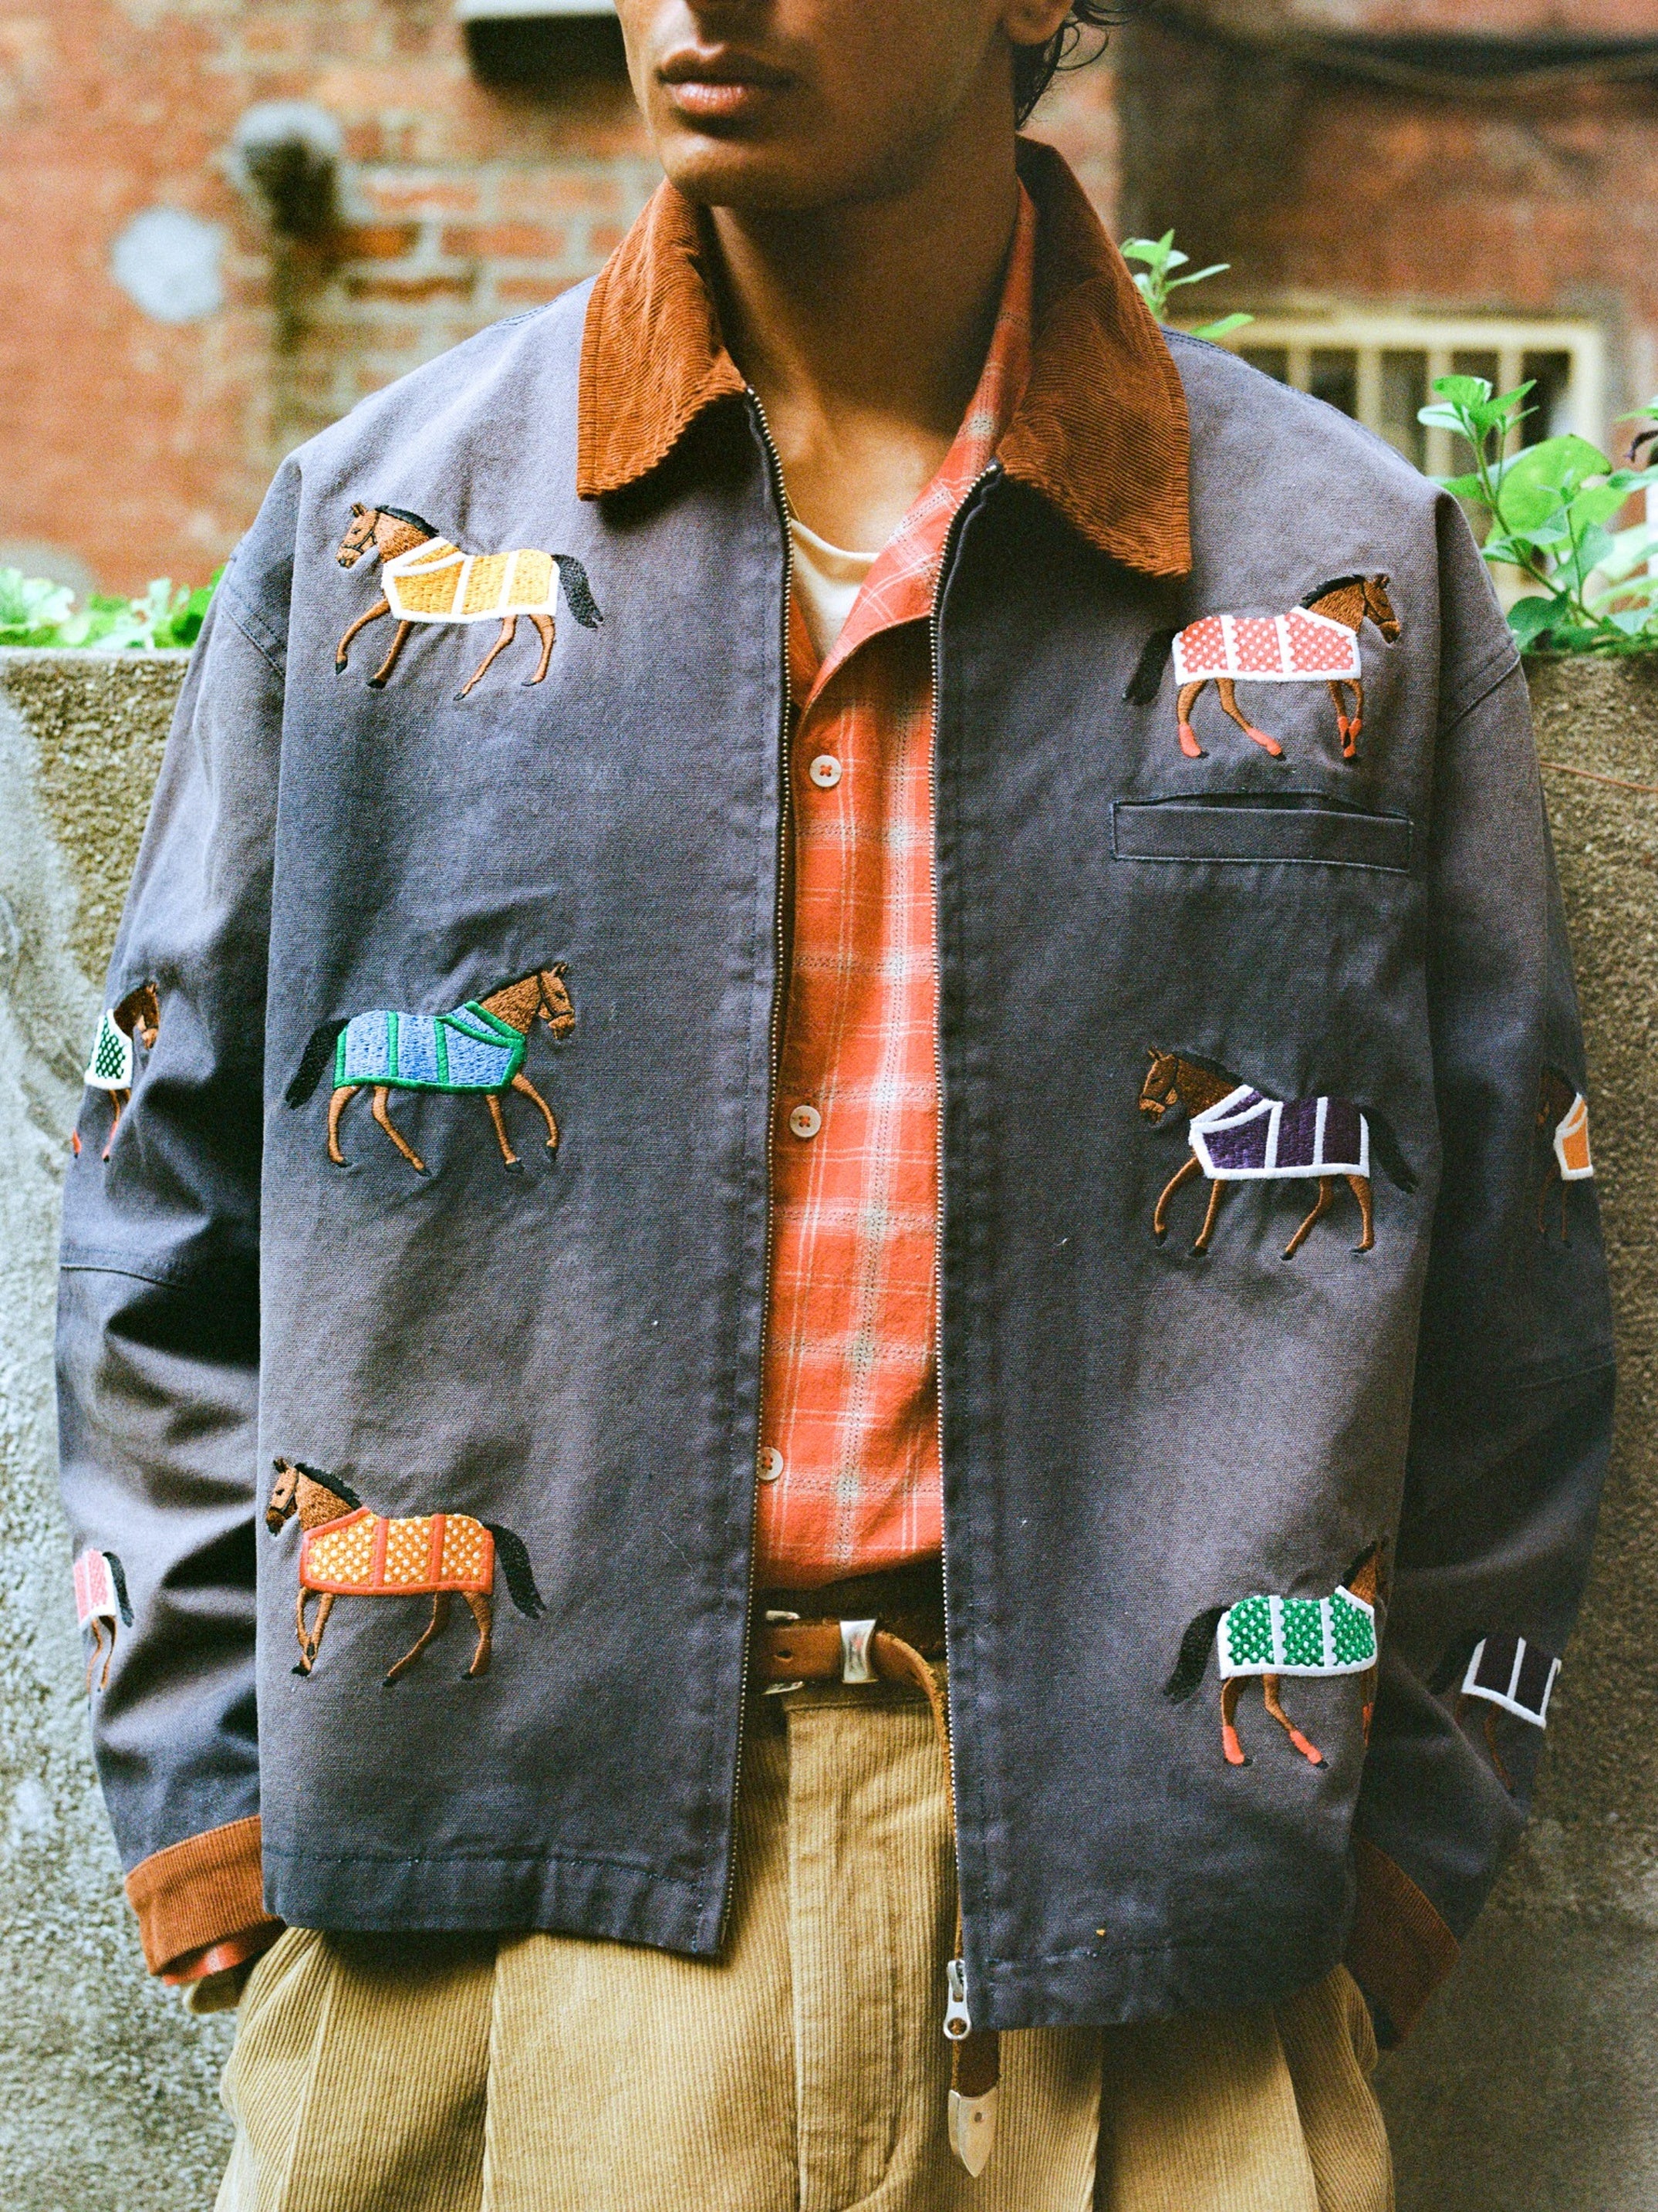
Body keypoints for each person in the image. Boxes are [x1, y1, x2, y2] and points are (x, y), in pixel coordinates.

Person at [57, 2, 1614, 2206]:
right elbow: (157, 1206)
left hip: (1153, 1988)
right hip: (493, 1950)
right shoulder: (376, 540)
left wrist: (1376, 1889)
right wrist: (228, 1826)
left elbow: (1520, 1307)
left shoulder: (1334, 567)